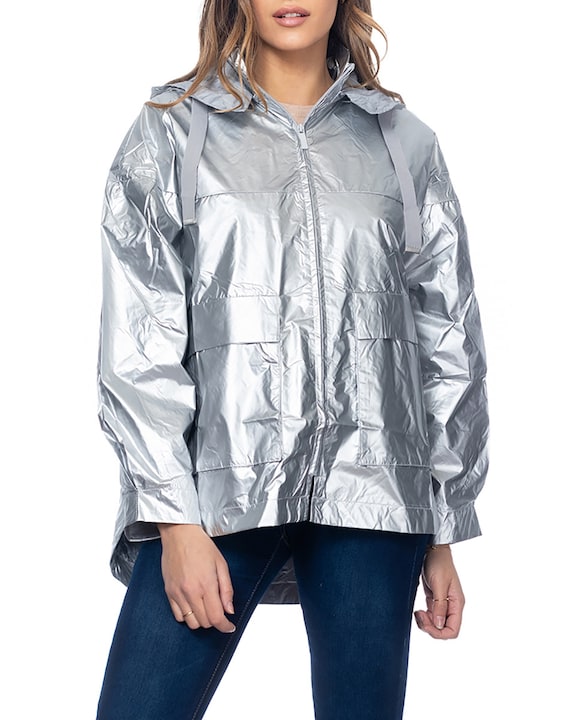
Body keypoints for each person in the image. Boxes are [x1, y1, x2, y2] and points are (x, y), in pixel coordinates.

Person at [95, 1, 489, 718]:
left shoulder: (403, 142)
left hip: (377, 491)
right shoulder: (173, 131)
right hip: (218, 486)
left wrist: (443, 526)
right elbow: (139, 340)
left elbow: (449, 338)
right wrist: (173, 519)